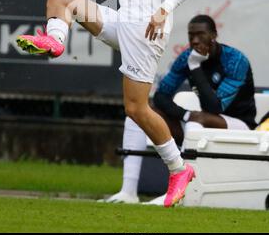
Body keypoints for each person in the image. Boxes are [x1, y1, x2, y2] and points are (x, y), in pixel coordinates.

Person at [16, 0, 203, 207]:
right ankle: (55, 42)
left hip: (147, 29)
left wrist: (164, 10)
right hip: (121, 19)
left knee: (135, 109)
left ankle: (179, 169)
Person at [105, 14, 256, 204]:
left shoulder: (235, 60)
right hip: (202, 125)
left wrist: (195, 66)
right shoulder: (187, 57)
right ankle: (128, 192)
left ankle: (180, 191)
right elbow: (161, 96)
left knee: (196, 121)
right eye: (191, 35)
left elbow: (215, 107)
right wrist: (185, 114)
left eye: (200, 35)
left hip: (241, 128)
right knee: (137, 116)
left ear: (214, 35)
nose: (194, 41)